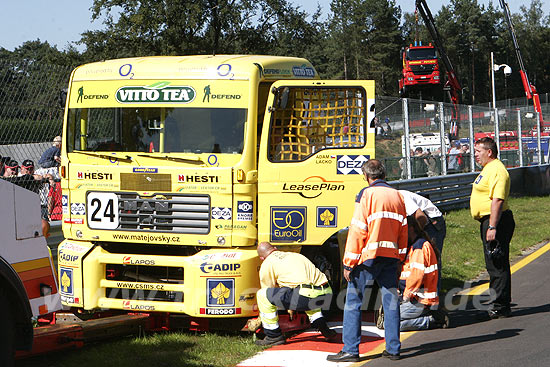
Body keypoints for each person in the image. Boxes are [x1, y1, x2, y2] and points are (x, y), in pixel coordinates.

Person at [327, 160, 407, 362]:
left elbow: (357, 230)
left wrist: (348, 262)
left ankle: (351, 350)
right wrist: (400, 259)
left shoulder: (366, 194)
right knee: (390, 302)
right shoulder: (397, 195)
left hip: (368, 258)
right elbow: (403, 230)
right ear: (383, 174)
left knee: (353, 302)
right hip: (391, 258)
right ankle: (393, 348)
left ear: (366, 175)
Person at [254, 242, 336, 346]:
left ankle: (273, 336)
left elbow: (268, 290)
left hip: (306, 295)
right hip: (327, 294)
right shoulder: (294, 255)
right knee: (308, 297)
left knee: (262, 295)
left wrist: (262, 316)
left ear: (261, 258)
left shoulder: (267, 263)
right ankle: (325, 330)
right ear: (275, 248)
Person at [470, 137, 515, 319]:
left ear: (489, 152)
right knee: (493, 263)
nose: (475, 155)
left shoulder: (497, 170)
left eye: (478, 151)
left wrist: (492, 226)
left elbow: (497, 200)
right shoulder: (488, 169)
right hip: (490, 221)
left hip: (496, 221)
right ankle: (497, 302)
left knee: (497, 263)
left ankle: (500, 306)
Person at [398, 215, 448, 331]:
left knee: (391, 322)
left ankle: (432, 320)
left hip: (421, 300)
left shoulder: (419, 247)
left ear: (410, 229)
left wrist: (405, 297)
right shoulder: (412, 247)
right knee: (390, 319)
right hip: (414, 298)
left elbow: (416, 277)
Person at [398, 190, 446, 292]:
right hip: (416, 225)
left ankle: (433, 295)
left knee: (431, 259)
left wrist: (418, 238)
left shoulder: (401, 197)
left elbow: (421, 217)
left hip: (432, 223)